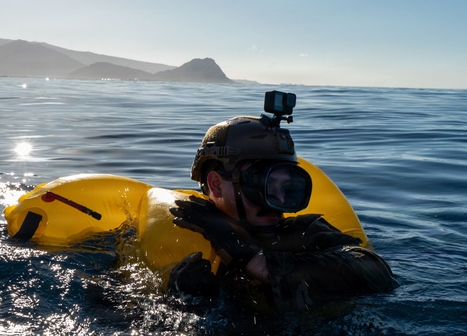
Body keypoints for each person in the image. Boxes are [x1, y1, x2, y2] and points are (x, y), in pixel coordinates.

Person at [169, 95, 394, 312]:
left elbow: (376, 271)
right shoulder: (183, 237)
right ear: (216, 184)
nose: (278, 202)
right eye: (261, 185)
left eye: (287, 188)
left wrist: (246, 255)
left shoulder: (304, 233)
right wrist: (184, 301)